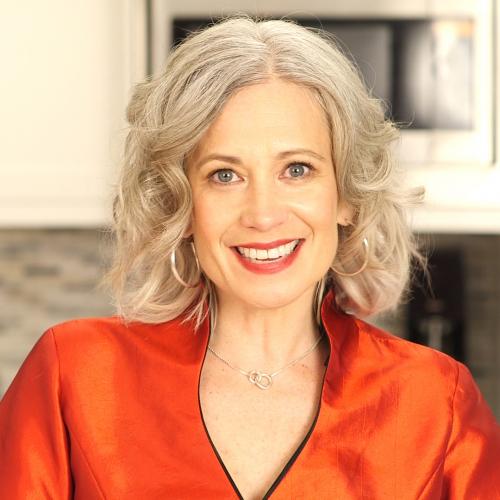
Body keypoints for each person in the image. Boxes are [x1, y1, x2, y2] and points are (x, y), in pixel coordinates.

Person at [1, 14, 499, 500]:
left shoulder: (436, 401)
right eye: (225, 175)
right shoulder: (74, 376)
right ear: (180, 204)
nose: (263, 214)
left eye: (297, 169)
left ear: (346, 196)